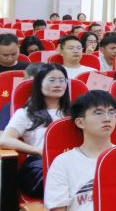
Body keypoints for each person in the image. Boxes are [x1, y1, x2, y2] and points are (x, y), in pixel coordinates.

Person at [45, 90, 116, 211]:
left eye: (112, 112)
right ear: (80, 122)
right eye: (98, 112)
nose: (107, 118)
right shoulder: (64, 162)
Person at [0, 64, 70, 198]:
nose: (58, 84)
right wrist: (38, 151)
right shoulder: (26, 113)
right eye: (52, 80)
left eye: (62, 80)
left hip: (71, 163)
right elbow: (4, 140)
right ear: (39, 83)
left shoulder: (75, 113)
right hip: (40, 164)